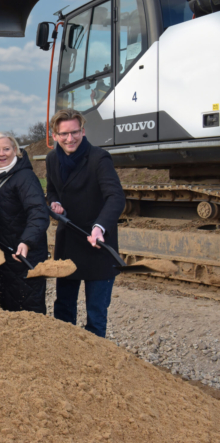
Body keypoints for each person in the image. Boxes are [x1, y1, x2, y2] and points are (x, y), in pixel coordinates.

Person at [46, 109, 126, 338]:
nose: (70, 139)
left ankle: (95, 363)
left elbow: (115, 197)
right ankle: (65, 355)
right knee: (63, 308)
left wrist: (100, 227)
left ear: (83, 131)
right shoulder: (52, 159)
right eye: (64, 134)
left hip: (97, 243)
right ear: (54, 135)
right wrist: (54, 202)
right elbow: (51, 190)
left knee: (96, 313)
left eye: (74, 132)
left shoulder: (99, 158)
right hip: (68, 241)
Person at [0, 132, 49, 313]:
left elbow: (38, 213)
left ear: (15, 150)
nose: (2, 153)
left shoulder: (25, 177)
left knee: (25, 308)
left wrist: (27, 241)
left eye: (7, 149)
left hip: (22, 254)